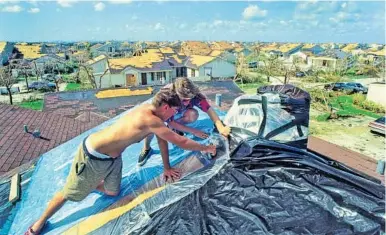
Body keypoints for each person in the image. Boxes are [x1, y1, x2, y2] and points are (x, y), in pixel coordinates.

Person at [25, 88, 216, 235]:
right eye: (173, 111)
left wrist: (167, 167)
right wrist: (206, 148)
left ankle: (91, 184)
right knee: (70, 193)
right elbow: (180, 140)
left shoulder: (155, 114)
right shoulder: (150, 118)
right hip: (94, 156)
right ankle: (37, 224)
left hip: (114, 159)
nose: (173, 115)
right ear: (165, 107)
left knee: (112, 192)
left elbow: (162, 140)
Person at [138, 77, 231, 166]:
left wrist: (220, 127)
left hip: (176, 112)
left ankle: (176, 129)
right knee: (152, 126)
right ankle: (146, 148)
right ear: (176, 95)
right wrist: (194, 132)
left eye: (190, 99)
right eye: (184, 100)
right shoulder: (167, 98)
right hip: (162, 113)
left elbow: (209, 110)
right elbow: (172, 129)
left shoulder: (194, 95)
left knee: (193, 114)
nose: (187, 102)